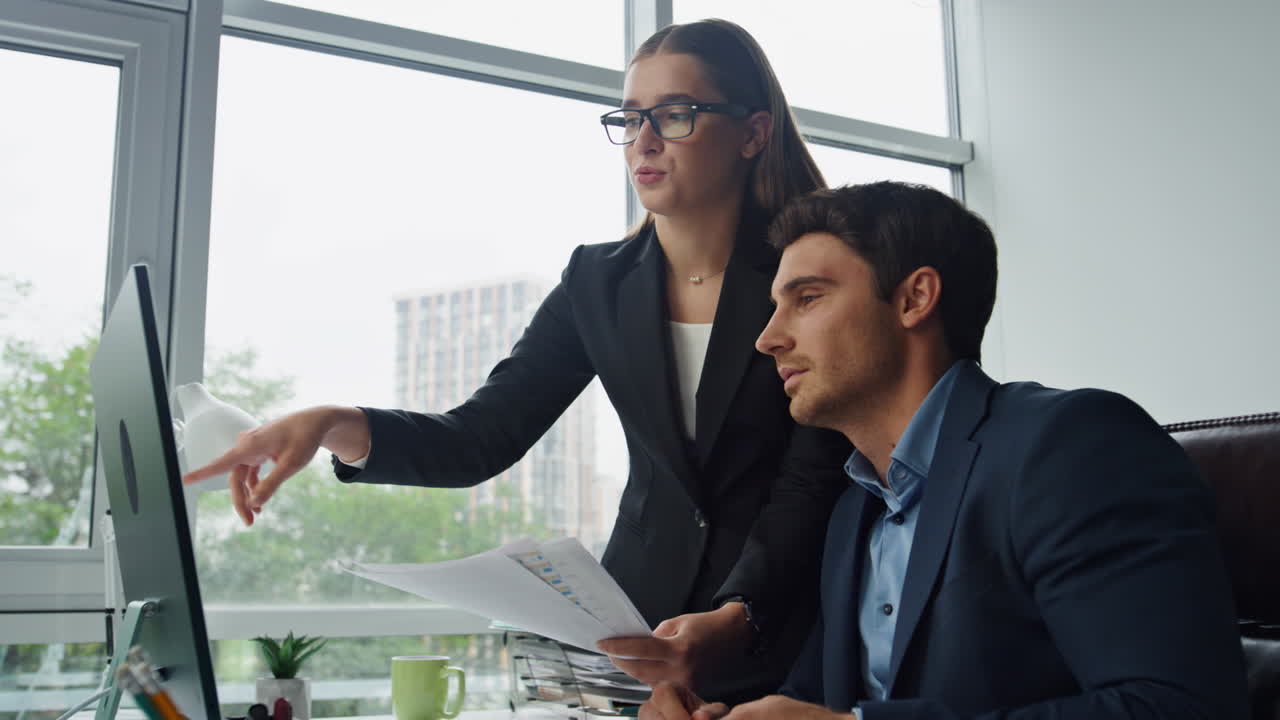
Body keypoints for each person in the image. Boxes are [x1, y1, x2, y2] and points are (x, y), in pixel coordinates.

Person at [183, 19, 851, 703]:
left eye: (676, 115)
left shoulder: (811, 277)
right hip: (633, 643)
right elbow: (483, 436)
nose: (644, 140)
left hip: (782, 634)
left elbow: (810, 482)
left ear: (753, 133)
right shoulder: (599, 283)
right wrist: (333, 421)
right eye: (629, 118)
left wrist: (738, 620)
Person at [637, 182, 1250, 720]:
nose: (769, 338)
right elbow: (818, 703)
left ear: (913, 299)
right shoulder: (857, 507)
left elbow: (1179, 707)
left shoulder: (1073, 445)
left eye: (808, 298)